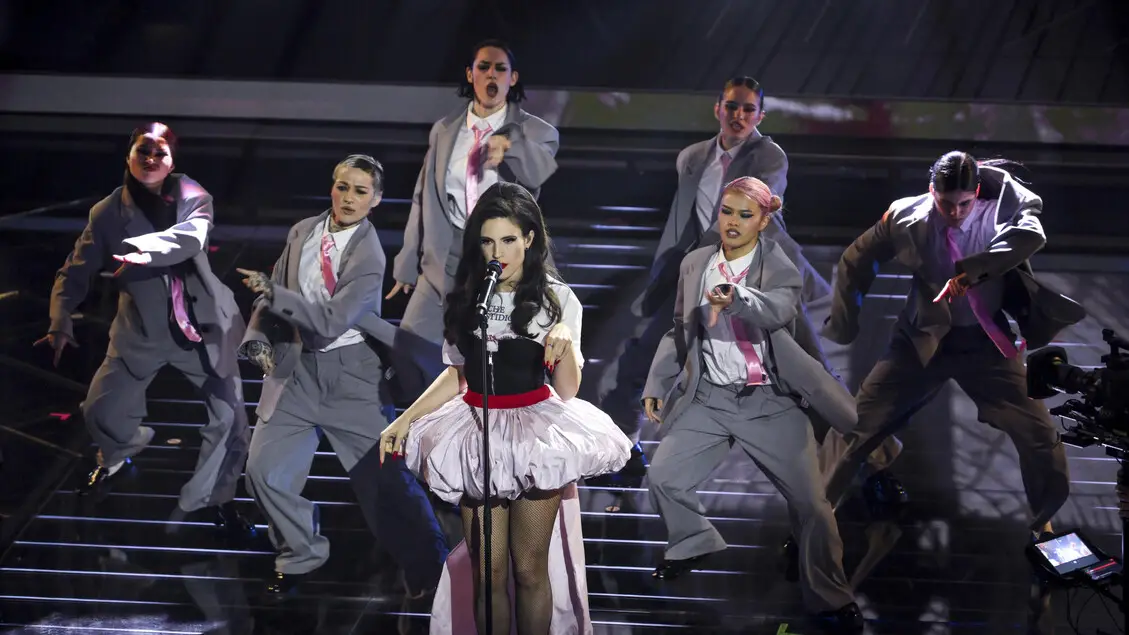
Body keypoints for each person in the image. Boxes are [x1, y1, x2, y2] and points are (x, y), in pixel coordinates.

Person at [586, 76, 902, 491]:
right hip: (699, 278)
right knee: (643, 359)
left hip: (759, 279)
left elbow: (749, 212)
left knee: (812, 375)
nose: (739, 115)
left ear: (760, 116)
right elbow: (682, 223)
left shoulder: (768, 157)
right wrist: (671, 273)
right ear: (718, 109)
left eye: (748, 109)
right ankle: (624, 451)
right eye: (732, 106)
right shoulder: (691, 158)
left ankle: (874, 461)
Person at [379, 182, 631, 635]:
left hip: (534, 432)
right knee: (487, 572)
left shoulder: (556, 298)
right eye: (488, 241)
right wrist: (405, 418)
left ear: (529, 238)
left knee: (529, 568)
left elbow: (568, 389)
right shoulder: (469, 294)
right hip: (478, 429)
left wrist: (564, 341)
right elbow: (458, 372)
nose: (498, 253)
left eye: (509, 240)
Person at [820, 151, 1085, 537]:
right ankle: (815, 515)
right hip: (921, 342)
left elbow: (1031, 235)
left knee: (1040, 437)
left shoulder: (1000, 210)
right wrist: (844, 323)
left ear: (976, 194)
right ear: (932, 191)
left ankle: (1044, 526)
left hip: (986, 345)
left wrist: (970, 273)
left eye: (964, 203)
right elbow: (856, 259)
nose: (956, 212)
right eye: (946, 203)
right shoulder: (906, 216)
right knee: (856, 427)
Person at [641, 176, 863, 634]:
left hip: (769, 402)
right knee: (663, 476)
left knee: (812, 507)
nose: (733, 222)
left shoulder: (778, 264)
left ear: (763, 221)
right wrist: (657, 382)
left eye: (745, 215)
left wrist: (736, 296)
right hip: (710, 398)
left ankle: (830, 596)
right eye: (727, 211)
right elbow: (680, 329)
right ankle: (693, 540)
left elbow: (778, 310)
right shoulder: (696, 263)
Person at [235, 154, 448, 596]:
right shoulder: (302, 232)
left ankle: (433, 569)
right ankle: (300, 552)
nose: (349, 198)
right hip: (296, 371)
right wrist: (258, 337)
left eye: (361, 191)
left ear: (376, 200)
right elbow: (273, 292)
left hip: (353, 378)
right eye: (343, 187)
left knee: (387, 485)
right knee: (263, 472)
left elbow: (331, 321)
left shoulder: (369, 254)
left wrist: (275, 294)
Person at [36, 122, 251, 534]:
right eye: (143, 151)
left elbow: (192, 236)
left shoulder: (191, 193)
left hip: (202, 330)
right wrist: (60, 319)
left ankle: (211, 500)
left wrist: (144, 250)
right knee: (99, 410)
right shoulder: (107, 212)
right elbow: (74, 271)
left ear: (172, 161)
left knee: (230, 421)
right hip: (140, 331)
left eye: (160, 153)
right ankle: (117, 458)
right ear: (129, 155)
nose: (151, 159)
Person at [387, 39, 560, 402]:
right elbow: (423, 194)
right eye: (483, 67)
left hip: (500, 256)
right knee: (410, 347)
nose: (491, 75)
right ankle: (435, 418)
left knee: (491, 354)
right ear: (470, 75)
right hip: (446, 251)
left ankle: (483, 416)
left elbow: (539, 172)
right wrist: (406, 260)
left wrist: (511, 145)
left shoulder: (535, 131)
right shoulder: (445, 130)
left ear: (513, 79)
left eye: (500, 69)